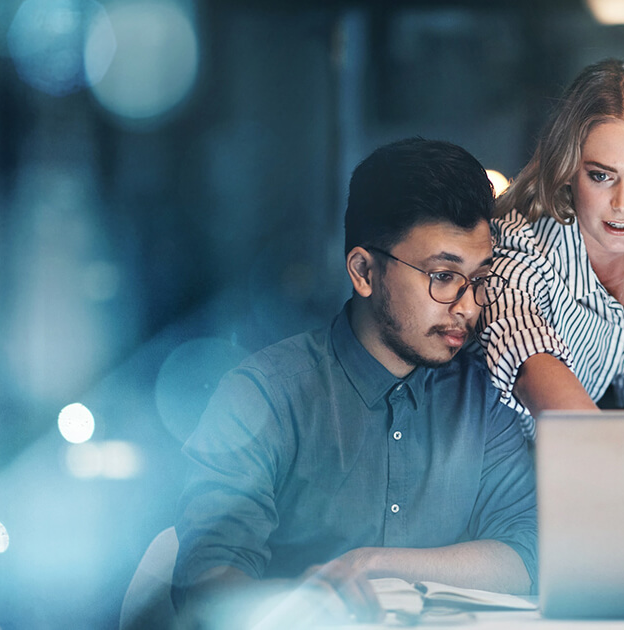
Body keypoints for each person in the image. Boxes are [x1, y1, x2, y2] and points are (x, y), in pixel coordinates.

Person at [172, 139, 537, 626]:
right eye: (444, 276)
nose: (468, 306)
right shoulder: (266, 396)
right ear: (364, 271)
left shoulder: (484, 397)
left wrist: (376, 566)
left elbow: (527, 552)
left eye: (479, 278)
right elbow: (206, 580)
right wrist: (305, 602)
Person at [479, 59, 624, 439]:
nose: (623, 203)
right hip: (494, 469)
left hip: (588, 461)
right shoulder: (521, 248)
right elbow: (526, 354)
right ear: (568, 168)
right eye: (601, 175)